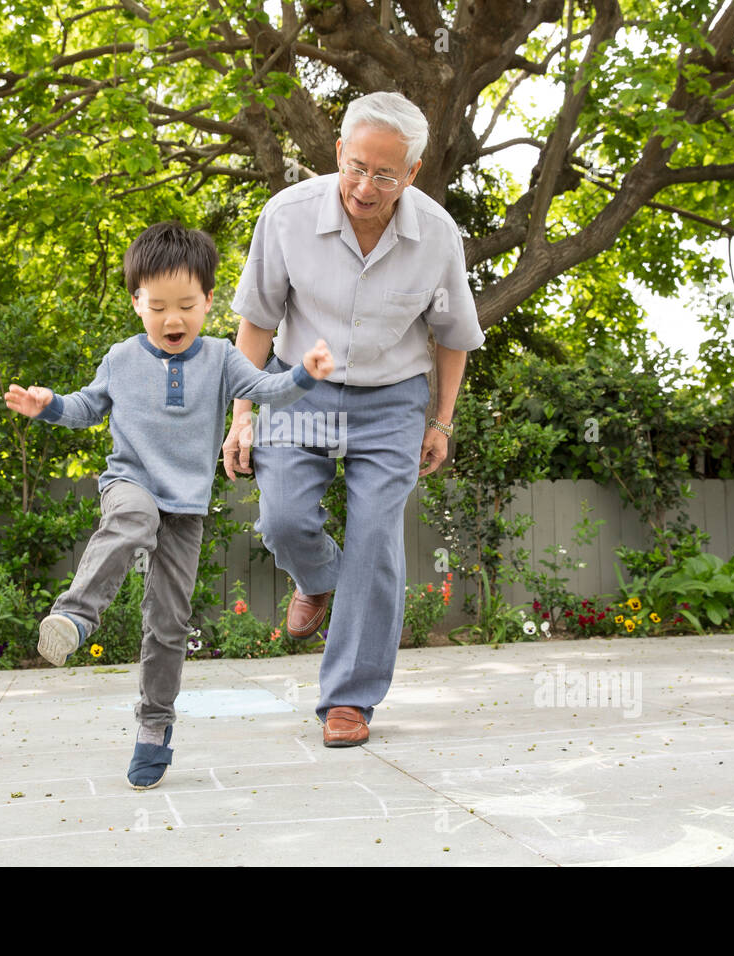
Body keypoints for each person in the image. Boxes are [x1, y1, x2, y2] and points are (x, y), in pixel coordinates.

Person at [5, 220, 335, 789]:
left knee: (169, 622)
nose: (173, 319)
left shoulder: (223, 359)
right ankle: (76, 616)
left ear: (209, 300)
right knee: (132, 517)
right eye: (158, 307)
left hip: (187, 505)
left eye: (187, 304)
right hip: (131, 481)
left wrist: (304, 373)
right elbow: (87, 408)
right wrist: (48, 405)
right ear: (137, 303)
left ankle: (154, 727)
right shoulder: (120, 358)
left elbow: (267, 391)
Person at [224, 91, 485, 747]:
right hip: (298, 386)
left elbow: (453, 336)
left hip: (391, 398)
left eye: (385, 174)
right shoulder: (286, 217)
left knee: (375, 540)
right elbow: (256, 321)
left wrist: (442, 421)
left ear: (412, 173)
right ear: (339, 152)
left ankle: (349, 701)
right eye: (356, 166)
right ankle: (315, 579)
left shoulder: (438, 237)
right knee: (282, 518)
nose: (365, 187)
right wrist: (241, 414)